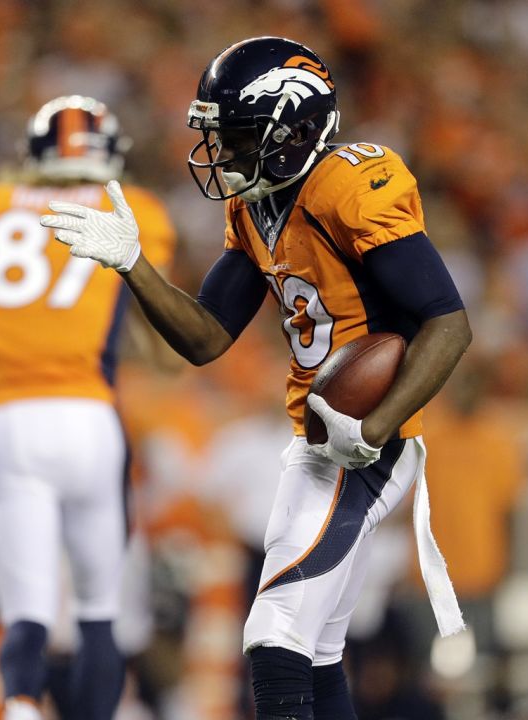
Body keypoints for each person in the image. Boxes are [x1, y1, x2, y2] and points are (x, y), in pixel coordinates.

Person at [43, 37, 471, 719]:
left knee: (275, 634)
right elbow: (208, 337)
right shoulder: (256, 206)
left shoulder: (347, 186)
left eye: (240, 136)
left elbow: (448, 322)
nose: (226, 155)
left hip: (364, 441)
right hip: (321, 436)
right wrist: (133, 265)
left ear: (295, 128)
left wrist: (375, 424)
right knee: (319, 650)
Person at [0, 95, 176, 720]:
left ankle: (23, 709)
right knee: (99, 610)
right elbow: (153, 339)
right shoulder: (136, 211)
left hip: (10, 419)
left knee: (25, 611)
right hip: (89, 420)